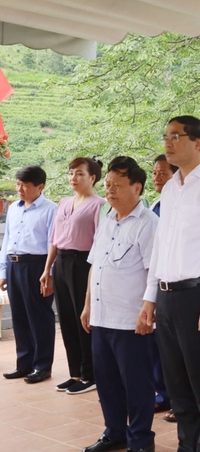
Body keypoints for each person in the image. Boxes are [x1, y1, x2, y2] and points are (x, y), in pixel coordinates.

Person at [139, 116, 200, 452]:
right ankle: (187, 445)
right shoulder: (170, 188)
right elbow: (160, 246)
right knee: (177, 384)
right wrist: (150, 298)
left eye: (175, 136)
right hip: (166, 297)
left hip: (197, 295)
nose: (167, 143)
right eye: (165, 136)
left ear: (198, 142)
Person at [80, 156, 158, 452]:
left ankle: (140, 439)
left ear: (137, 187)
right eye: (108, 184)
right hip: (102, 316)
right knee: (107, 381)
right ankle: (114, 432)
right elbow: (95, 265)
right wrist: (88, 305)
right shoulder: (107, 220)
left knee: (137, 383)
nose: (110, 190)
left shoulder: (148, 223)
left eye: (117, 185)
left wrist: (147, 310)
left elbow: (154, 273)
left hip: (130, 319)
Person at [40, 157, 105, 394]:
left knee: (83, 318)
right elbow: (54, 239)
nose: (73, 178)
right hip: (62, 261)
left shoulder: (99, 205)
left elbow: (99, 242)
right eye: (70, 173)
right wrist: (47, 269)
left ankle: (90, 375)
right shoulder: (64, 203)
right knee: (66, 318)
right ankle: (75, 372)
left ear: (92, 178)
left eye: (79, 173)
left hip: (83, 263)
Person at [1, 166, 57, 384]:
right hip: (14, 265)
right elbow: (7, 240)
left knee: (39, 316)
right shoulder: (14, 209)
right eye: (18, 184)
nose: (19, 189)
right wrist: (3, 271)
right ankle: (24, 363)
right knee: (20, 316)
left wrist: (48, 273)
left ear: (40, 186)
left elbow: (53, 244)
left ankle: (42, 366)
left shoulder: (50, 210)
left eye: (24, 185)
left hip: (37, 266)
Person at [149, 154, 177, 420]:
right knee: (160, 347)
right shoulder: (156, 205)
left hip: (182, 287)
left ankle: (181, 400)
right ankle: (164, 394)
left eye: (163, 173)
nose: (157, 177)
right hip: (157, 282)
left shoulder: (179, 205)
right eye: (155, 173)